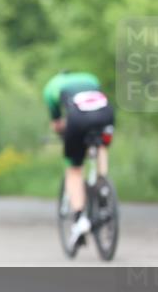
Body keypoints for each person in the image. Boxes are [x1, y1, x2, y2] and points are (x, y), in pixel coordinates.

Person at [42, 70, 115, 246]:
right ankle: (102, 184)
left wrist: (63, 134)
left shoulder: (51, 88)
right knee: (101, 145)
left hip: (78, 118)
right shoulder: (91, 78)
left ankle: (79, 218)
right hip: (106, 114)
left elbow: (57, 124)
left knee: (74, 170)